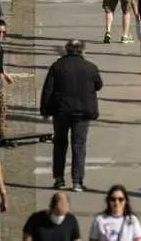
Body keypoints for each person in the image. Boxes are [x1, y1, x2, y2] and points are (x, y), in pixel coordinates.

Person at [40, 40, 104, 192]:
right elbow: (99, 85)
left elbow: (48, 89)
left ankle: (59, 178)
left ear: (66, 50)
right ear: (82, 51)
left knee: (60, 144)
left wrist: (45, 110)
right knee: (79, 146)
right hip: (82, 112)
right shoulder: (90, 67)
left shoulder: (57, 66)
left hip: (61, 111)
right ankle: (77, 181)